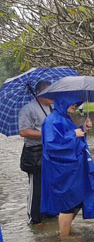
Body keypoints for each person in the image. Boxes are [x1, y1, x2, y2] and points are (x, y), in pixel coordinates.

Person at [41, 93, 94, 237]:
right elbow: (51, 145)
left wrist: (83, 129)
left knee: (79, 199)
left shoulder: (63, 118)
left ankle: (64, 232)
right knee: (68, 204)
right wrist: (74, 135)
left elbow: (70, 135)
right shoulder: (51, 121)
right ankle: (64, 238)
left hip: (73, 169)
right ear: (63, 102)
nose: (75, 105)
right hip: (63, 171)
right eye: (72, 103)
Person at [18, 81, 54, 224]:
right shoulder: (28, 109)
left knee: (50, 184)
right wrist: (44, 133)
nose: (52, 96)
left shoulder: (52, 108)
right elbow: (23, 131)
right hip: (34, 153)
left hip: (50, 152)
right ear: (39, 93)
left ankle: (50, 213)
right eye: (49, 93)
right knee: (36, 187)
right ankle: (34, 218)